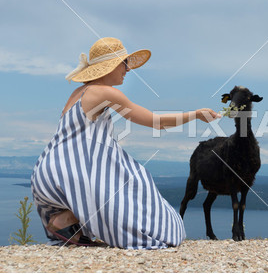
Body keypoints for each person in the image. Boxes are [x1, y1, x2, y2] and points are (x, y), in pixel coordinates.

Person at [30, 37, 221, 249]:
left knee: (115, 169)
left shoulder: (79, 92)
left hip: (48, 171)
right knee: (138, 181)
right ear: (110, 66)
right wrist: (195, 115)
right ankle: (67, 220)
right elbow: (155, 122)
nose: (128, 69)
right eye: (124, 63)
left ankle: (66, 220)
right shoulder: (105, 92)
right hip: (71, 172)